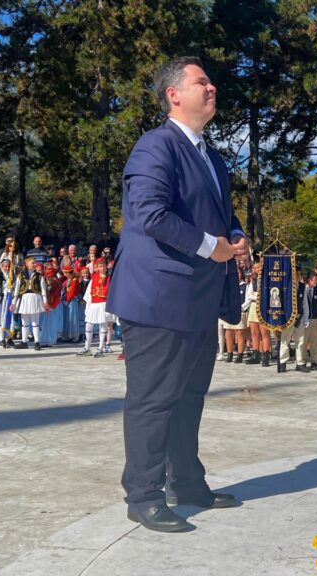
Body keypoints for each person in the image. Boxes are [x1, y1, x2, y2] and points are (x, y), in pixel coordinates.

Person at [105, 56, 248, 533]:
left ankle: (186, 483)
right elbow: (150, 213)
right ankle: (144, 495)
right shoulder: (156, 146)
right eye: (201, 81)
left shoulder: (212, 157)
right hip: (159, 297)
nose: (212, 87)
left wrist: (236, 236)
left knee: (189, 397)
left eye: (211, 82)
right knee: (153, 399)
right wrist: (212, 247)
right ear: (174, 95)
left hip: (198, 299)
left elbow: (220, 216)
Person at [13, 255, 47, 350]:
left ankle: (37, 342)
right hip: (24, 299)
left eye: (35, 263)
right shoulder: (20, 275)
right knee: (24, 322)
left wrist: (45, 302)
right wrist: (14, 302)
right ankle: (24, 342)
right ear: (27, 264)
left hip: (35, 298)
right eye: (32, 263)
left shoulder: (39, 276)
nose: (35, 264)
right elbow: (16, 290)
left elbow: (43, 290)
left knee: (35, 322)